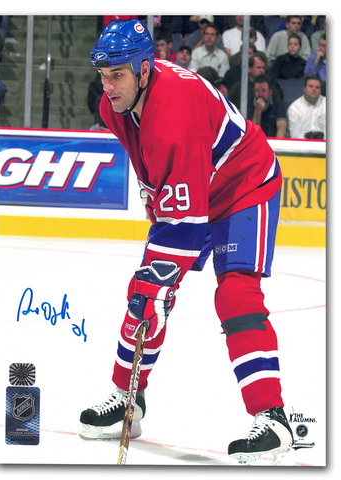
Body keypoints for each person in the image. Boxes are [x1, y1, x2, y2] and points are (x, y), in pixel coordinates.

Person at [81, 19, 294, 465]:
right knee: (146, 292)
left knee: (234, 292)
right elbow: (158, 171)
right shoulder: (113, 104)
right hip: (196, 186)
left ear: (144, 70)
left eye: (116, 75)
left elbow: (187, 221)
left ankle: (273, 419)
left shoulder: (173, 112)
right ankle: (127, 398)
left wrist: (159, 277)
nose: (108, 86)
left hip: (243, 184)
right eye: (103, 76)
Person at [287, 75, 326, 139]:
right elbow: (294, 135)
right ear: (304, 88)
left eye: (317, 87)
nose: (314, 89)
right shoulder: (294, 108)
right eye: (311, 86)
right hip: (302, 146)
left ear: (320, 90)